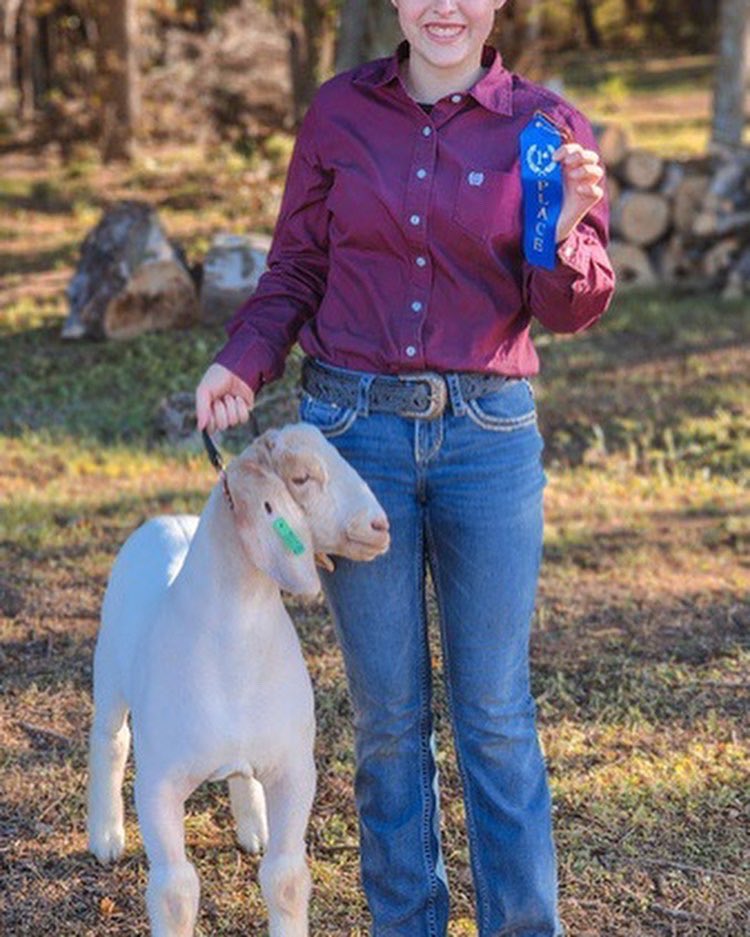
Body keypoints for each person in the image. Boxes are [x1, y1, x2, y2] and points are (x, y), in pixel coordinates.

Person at [196, 1, 615, 933]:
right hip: (353, 443)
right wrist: (242, 359)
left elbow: (570, 307)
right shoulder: (338, 113)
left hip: (489, 442)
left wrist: (568, 225)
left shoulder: (544, 128)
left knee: (496, 714)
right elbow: (297, 267)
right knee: (387, 721)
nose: (445, 8)